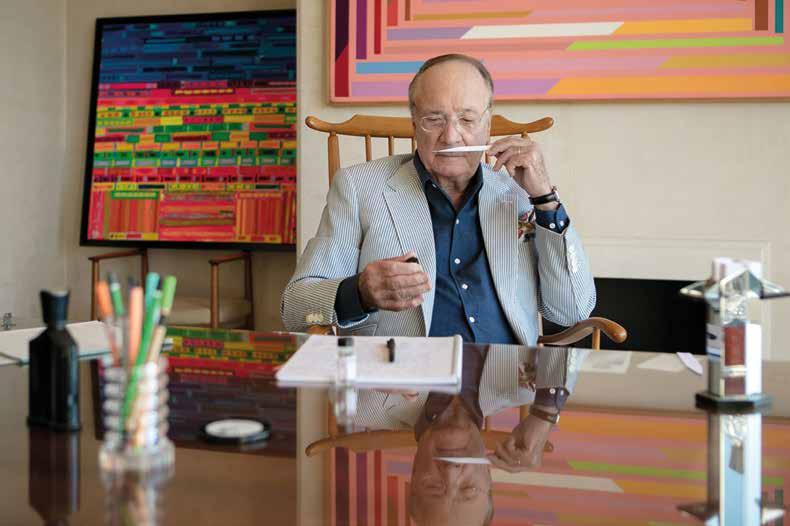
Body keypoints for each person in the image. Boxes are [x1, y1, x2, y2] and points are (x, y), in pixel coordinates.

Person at [281, 53, 595, 344]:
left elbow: (572, 311)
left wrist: (545, 199)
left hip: (507, 378)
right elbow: (296, 309)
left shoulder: (520, 191)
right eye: (434, 119)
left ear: (487, 126)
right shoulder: (358, 188)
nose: (451, 136)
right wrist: (359, 292)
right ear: (414, 124)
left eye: (467, 119)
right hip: (403, 379)